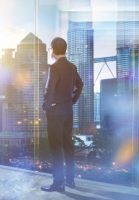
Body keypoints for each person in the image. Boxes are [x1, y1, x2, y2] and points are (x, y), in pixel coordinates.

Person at [41, 37, 83, 192]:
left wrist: (46, 106)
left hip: (56, 112)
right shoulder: (72, 67)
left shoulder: (55, 68)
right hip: (68, 111)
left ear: (52, 49)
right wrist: (72, 101)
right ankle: (71, 180)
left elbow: (49, 90)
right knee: (68, 146)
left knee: (56, 148)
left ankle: (58, 183)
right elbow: (80, 84)